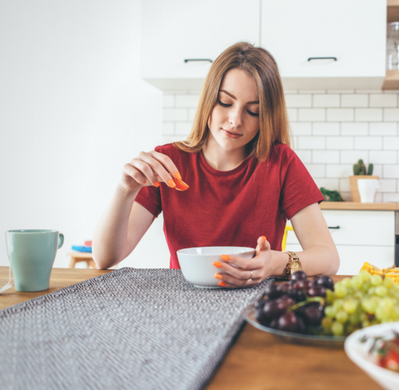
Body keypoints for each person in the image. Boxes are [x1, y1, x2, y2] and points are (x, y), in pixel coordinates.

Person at [92, 42, 339, 287]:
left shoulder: (281, 163)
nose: (235, 121)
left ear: (266, 117)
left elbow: (328, 258)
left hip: (256, 301)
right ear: (209, 98)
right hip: (181, 300)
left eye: (253, 111)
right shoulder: (168, 162)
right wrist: (125, 190)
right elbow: (104, 258)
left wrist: (275, 263)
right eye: (225, 102)